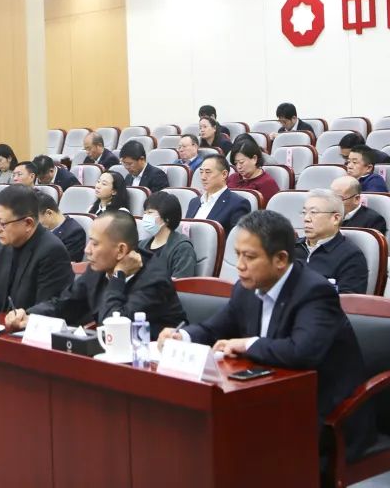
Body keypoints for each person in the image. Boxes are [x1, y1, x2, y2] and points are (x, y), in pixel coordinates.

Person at [158, 210, 373, 460]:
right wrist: (182, 336)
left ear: (280, 259)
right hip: (271, 398)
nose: (239, 265)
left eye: (249, 257)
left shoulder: (315, 292)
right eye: (237, 254)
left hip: (324, 413)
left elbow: (302, 352)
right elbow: (214, 328)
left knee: (232, 444)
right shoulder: (245, 288)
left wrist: (247, 344)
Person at [6, 211, 187, 339]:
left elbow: (113, 326)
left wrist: (118, 276)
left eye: (95, 244)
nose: (87, 250)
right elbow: (65, 304)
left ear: (121, 250)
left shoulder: (154, 280)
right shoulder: (97, 269)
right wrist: (28, 315)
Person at [293, 189, 368, 294]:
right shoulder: (291, 247)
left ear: (335, 218)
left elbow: (348, 302)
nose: (306, 218)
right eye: (304, 212)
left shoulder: (351, 257)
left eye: (313, 212)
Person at [185, 155, 250, 234]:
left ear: (224, 174)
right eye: (201, 172)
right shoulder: (194, 202)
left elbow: (236, 238)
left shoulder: (237, 204)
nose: (203, 177)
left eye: (208, 172)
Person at [139, 190, 196, 278]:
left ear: (167, 218)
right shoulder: (141, 245)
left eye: (150, 213)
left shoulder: (182, 249)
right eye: (144, 213)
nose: (145, 217)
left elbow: (180, 283)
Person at [36, 192, 86, 262]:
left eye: (36, 219)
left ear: (49, 213)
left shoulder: (74, 233)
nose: (33, 224)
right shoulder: (38, 230)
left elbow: (59, 263)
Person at [227, 137, 279, 203]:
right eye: (236, 163)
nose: (238, 167)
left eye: (241, 162)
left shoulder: (267, 184)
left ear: (254, 159)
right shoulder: (233, 178)